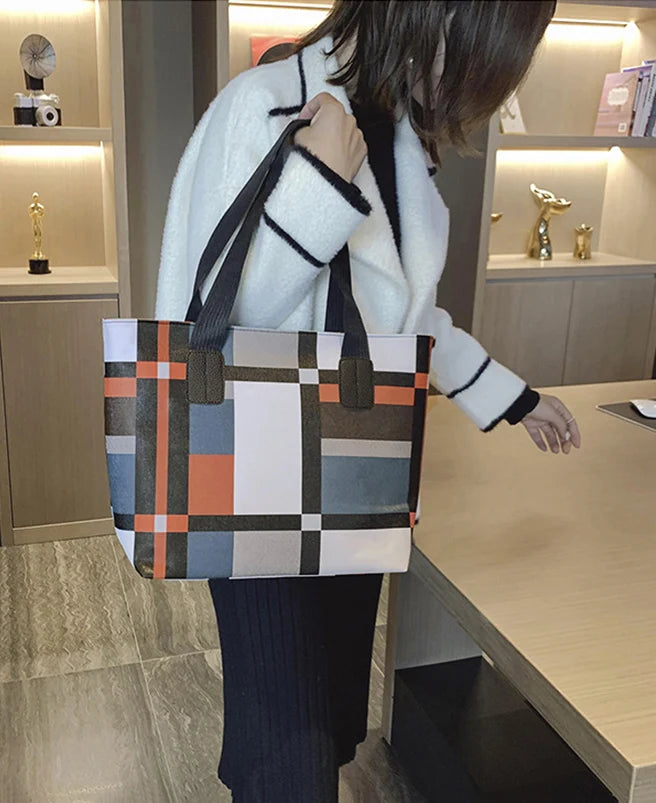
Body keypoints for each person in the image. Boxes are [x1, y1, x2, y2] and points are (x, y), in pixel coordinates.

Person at [155, 2, 581, 799]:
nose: (471, 90)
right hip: (256, 480)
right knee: (286, 745)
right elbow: (214, 323)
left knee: (329, 717)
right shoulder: (266, 103)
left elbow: (404, 323)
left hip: (354, 473)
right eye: (476, 58)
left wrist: (512, 397)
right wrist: (318, 182)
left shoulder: (400, 136)